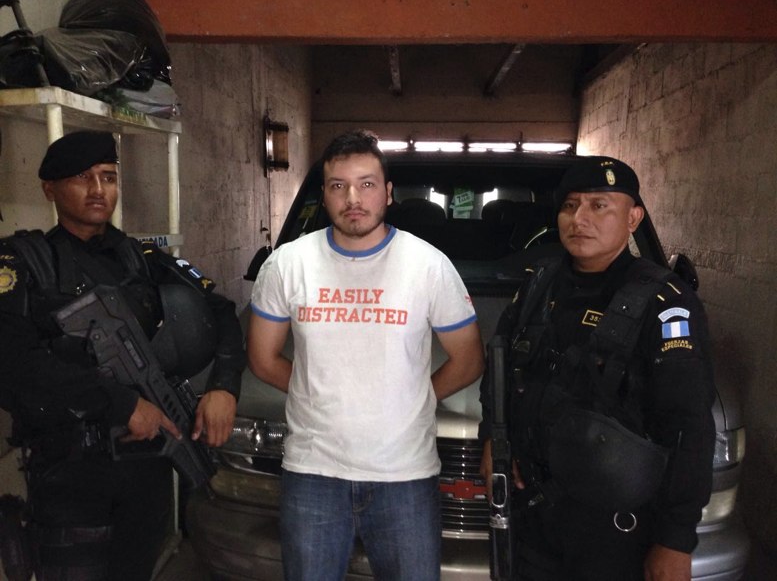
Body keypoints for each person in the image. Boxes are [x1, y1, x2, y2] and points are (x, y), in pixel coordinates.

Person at [0, 131, 245, 580]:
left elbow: (222, 310)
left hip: (146, 474)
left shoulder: (143, 258)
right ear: (49, 189)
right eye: (82, 177)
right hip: (70, 476)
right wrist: (123, 404)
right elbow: (12, 362)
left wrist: (224, 387)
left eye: (108, 177)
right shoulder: (23, 263)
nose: (98, 190)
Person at [247, 129, 484, 580]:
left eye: (367, 184)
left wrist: (415, 396)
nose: (353, 198)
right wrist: (318, 392)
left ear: (388, 193)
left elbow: (469, 360)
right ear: (324, 194)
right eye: (339, 185)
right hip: (313, 473)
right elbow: (262, 358)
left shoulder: (428, 265)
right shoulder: (288, 264)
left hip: (405, 476)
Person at [479, 156, 716, 581]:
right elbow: (500, 370)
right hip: (534, 515)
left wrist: (675, 539)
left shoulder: (664, 303)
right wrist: (493, 441)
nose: (579, 219)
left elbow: (688, 427)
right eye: (570, 206)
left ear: (633, 218)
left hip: (615, 531)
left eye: (599, 205)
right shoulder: (539, 283)